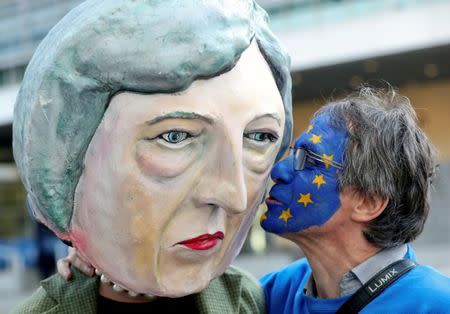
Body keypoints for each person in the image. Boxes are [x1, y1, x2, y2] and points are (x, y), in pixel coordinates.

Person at [11, 0, 292, 313]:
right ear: (66, 167)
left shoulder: (254, 301)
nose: (235, 196)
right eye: (176, 136)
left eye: (259, 137)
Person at [260, 86, 450, 313]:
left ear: (369, 202)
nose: (278, 170)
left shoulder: (434, 305)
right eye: (293, 153)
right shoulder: (272, 292)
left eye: (308, 161)